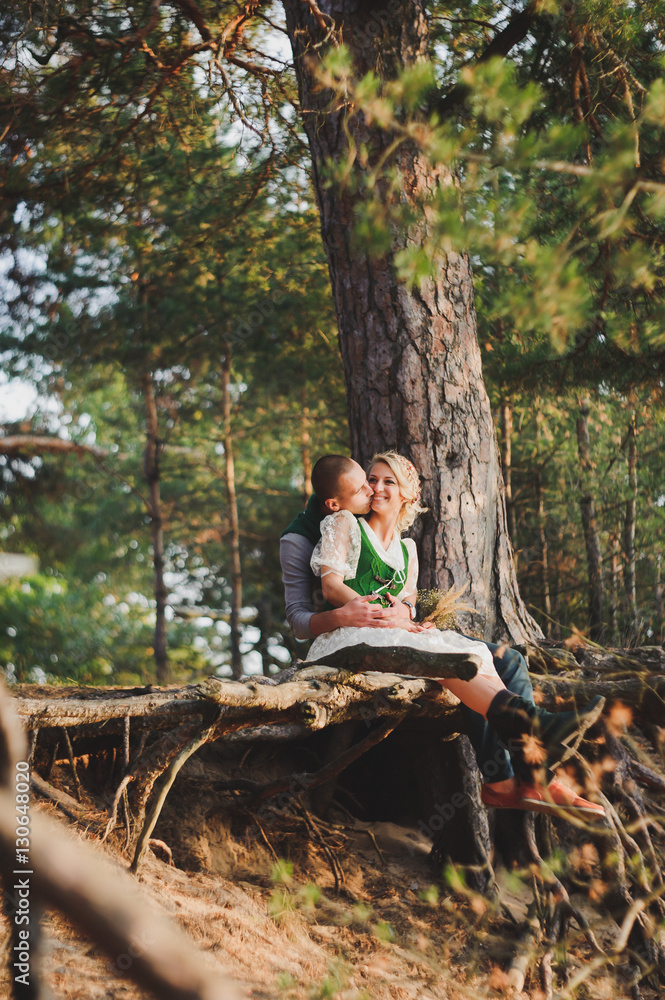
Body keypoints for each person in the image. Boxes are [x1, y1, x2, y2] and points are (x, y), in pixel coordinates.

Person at [281, 453, 604, 818]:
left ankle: (520, 779)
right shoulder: (343, 523)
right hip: (353, 637)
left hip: (393, 635)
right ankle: (533, 734)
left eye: (388, 481)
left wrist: (408, 616)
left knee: (492, 658)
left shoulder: (407, 550)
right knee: (457, 660)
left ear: (407, 494)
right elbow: (326, 591)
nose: (375, 487)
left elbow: (407, 604)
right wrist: (371, 614)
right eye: (371, 479)